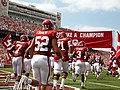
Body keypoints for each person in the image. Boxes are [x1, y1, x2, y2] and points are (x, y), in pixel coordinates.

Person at [20, 19, 62, 90]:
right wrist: (61, 56)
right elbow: (56, 48)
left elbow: (30, 48)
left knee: (37, 82)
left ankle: (27, 80)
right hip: (44, 58)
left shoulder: (37, 32)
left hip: (35, 58)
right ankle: (26, 80)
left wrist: (31, 56)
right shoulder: (52, 33)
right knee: (43, 83)